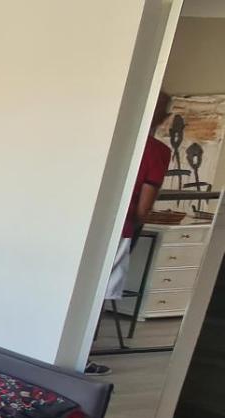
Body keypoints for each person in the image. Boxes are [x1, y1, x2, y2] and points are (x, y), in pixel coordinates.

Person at [86, 92, 173, 376]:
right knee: (97, 295)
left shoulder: (104, 138)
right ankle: (81, 358)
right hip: (118, 230)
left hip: (84, 226)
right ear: (164, 118)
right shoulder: (156, 152)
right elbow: (143, 208)